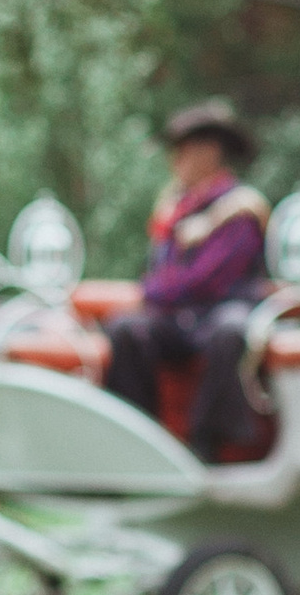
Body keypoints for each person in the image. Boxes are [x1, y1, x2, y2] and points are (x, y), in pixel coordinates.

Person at [102, 98, 272, 458]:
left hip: (220, 311)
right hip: (179, 319)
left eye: (185, 150)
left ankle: (207, 443)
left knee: (232, 329)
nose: (175, 160)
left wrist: (148, 291)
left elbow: (208, 280)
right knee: (127, 329)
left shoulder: (239, 209)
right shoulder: (174, 207)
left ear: (211, 152)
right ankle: (135, 436)